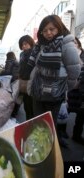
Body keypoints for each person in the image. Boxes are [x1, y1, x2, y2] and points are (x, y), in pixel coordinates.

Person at [26, 15, 81, 147]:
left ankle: (49, 153)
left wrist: (63, 88)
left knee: (49, 126)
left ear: (59, 27)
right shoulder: (40, 45)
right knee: (38, 123)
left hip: (55, 96)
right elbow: (35, 68)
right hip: (38, 93)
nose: (48, 33)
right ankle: (38, 152)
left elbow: (74, 71)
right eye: (44, 30)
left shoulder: (67, 44)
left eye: (52, 29)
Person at [67, 37, 84, 145]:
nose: (73, 45)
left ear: (78, 44)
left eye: (75, 43)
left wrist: (79, 81)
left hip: (81, 88)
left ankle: (76, 135)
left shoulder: (82, 55)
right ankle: (61, 131)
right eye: (71, 43)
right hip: (70, 87)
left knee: (81, 113)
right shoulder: (68, 55)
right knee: (65, 109)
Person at [18, 35, 35, 120]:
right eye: (22, 44)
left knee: (31, 107)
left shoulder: (34, 53)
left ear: (30, 43)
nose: (23, 46)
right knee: (26, 107)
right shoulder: (22, 54)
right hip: (23, 83)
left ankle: (31, 123)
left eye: (25, 44)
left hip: (31, 83)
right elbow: (21, 68)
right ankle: (28, 122)